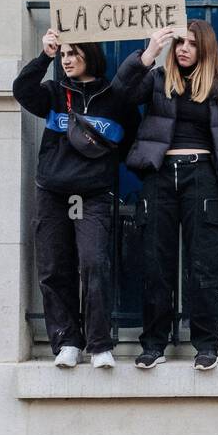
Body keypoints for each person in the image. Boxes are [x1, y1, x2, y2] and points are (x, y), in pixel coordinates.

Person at [12, 29, 146, 369]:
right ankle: (67, 341)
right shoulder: (54, 93)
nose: (67, 59)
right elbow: (21, 91)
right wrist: (44, 55)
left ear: (90, 54)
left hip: (95, 193)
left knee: (94, 263)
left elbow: (132, 134)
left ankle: (99, 343)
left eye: (73, 53)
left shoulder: (113, 97)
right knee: (55, 267)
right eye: (63, 54)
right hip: (52, 192)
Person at [126, 20, 218, 371]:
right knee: (155, 265)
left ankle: (206, 345)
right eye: (179, 43)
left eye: (192, 44)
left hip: (204, 179)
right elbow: (123, 93)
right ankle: (153, 345)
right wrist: (150, 52)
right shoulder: (155, 81)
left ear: (205, 50)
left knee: (204, 268)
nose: (183, 49)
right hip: (160, 177)